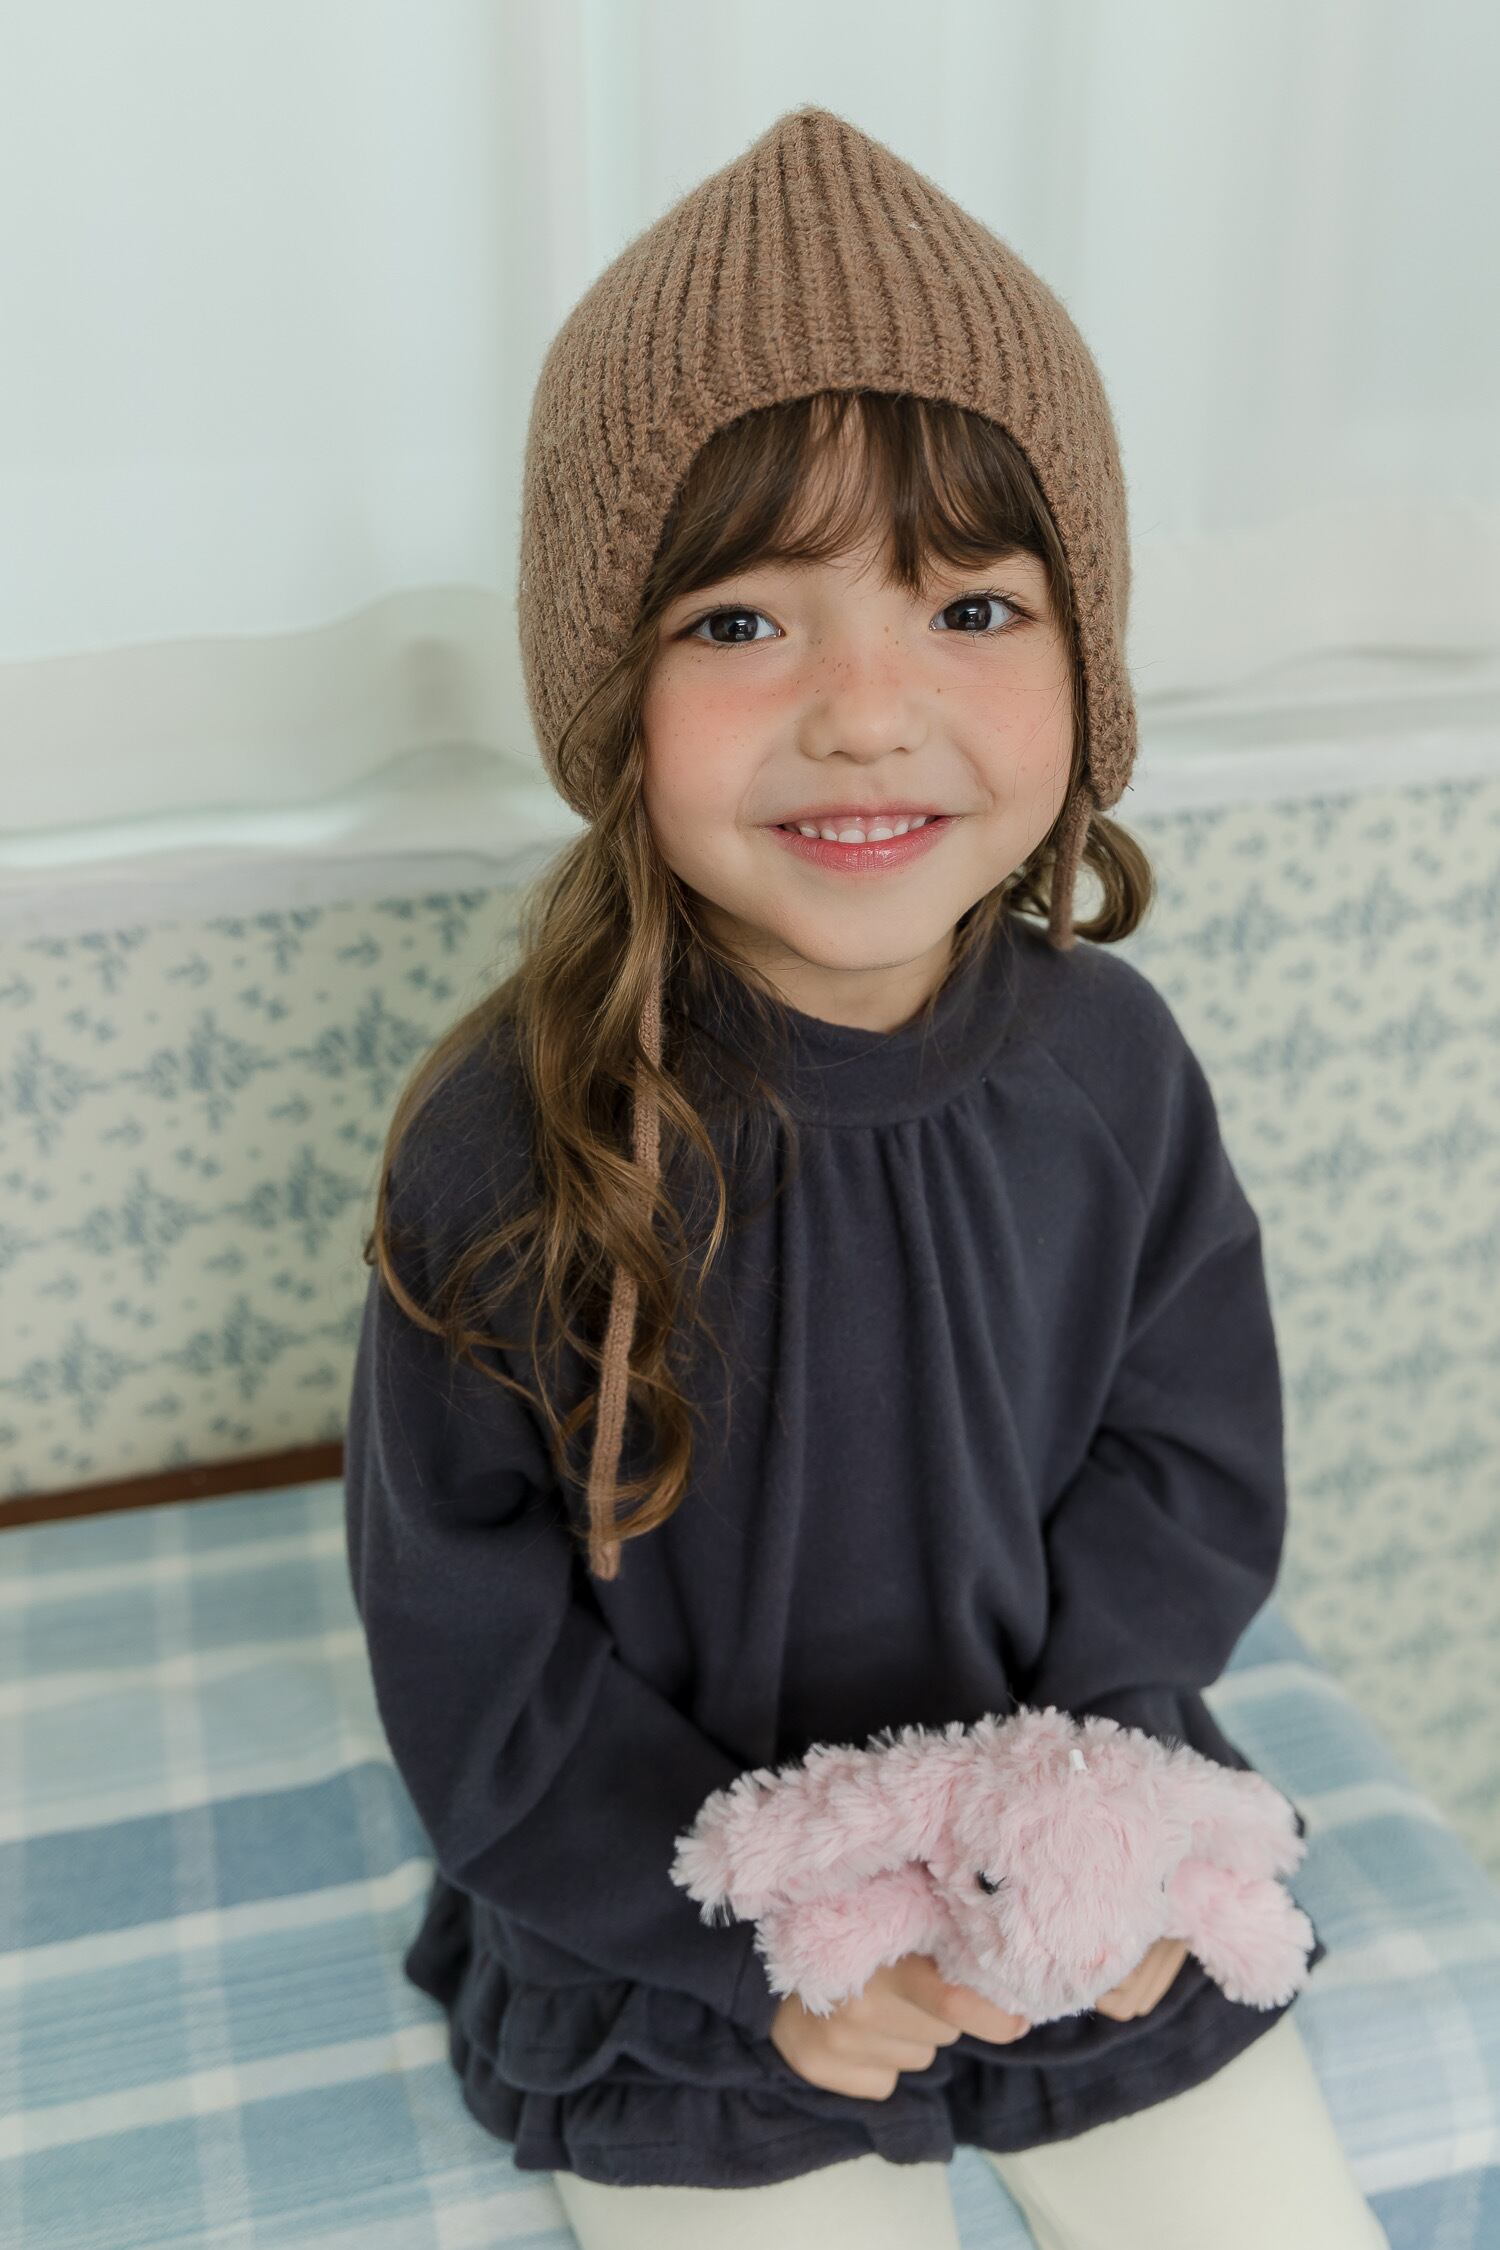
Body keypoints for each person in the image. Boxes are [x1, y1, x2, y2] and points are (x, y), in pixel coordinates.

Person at [343, 104, 1390, 2250]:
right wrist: (762, 1946)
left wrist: (1096, 1807)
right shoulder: (509, 1143)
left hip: (1063, 1861)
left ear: (1086, 664)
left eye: (972, 604)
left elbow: (1187, 1469)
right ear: (606, 687)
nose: (865, 710)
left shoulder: (1114, 1068)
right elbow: (470, 1641)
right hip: (689, 1932)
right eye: (742, 623)